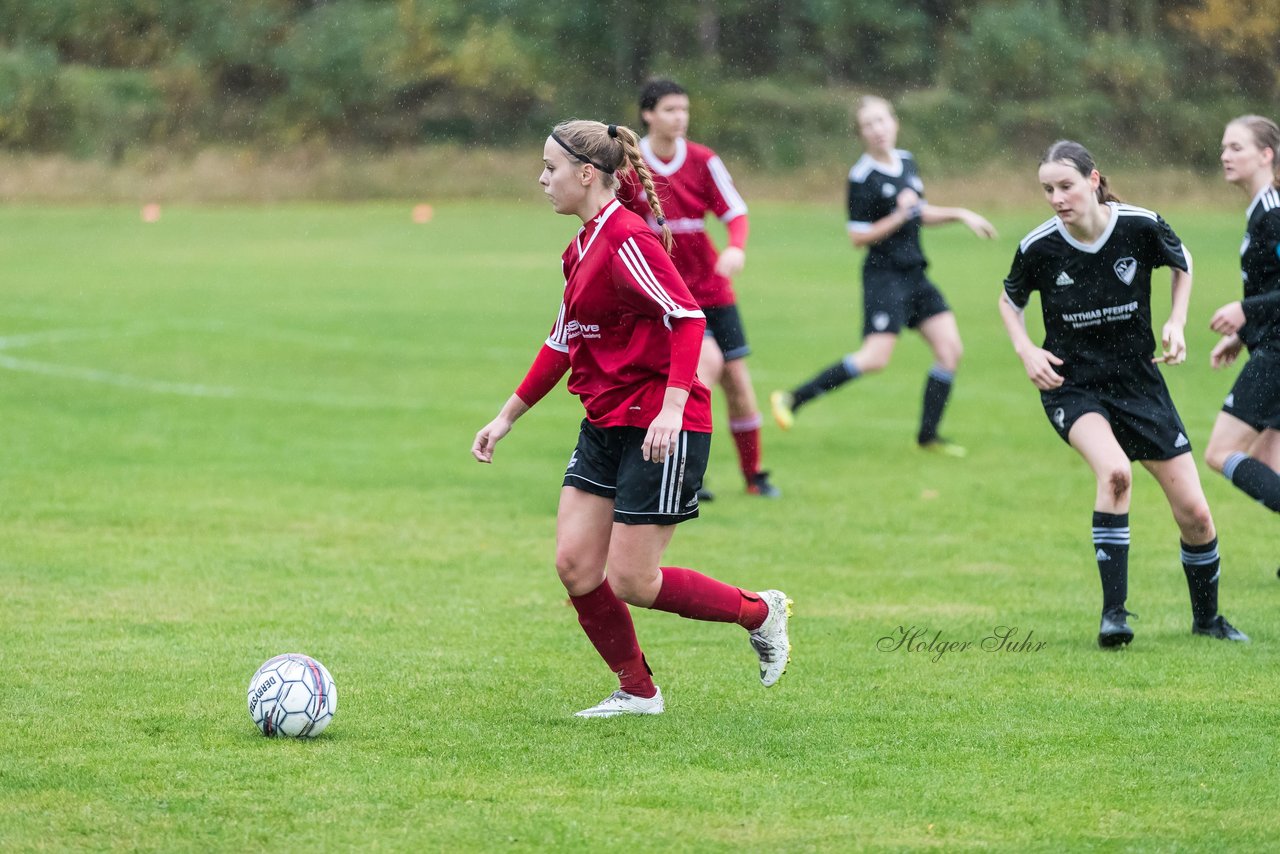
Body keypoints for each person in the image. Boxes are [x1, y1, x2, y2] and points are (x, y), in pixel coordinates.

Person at [471, 119, 791, 718]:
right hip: (605, 422)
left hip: (660, 427)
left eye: (551, 168)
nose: (542, 179)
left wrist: (671, 409)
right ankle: (638, 691)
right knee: (573, 563)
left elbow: (688, 317)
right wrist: (506, 416)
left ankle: (761, 612)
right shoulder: (581, 246)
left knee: (632, 581)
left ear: (587, 174)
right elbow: (563, 341)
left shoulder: (626, 241)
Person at [998, 139, 1248, 648]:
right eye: (1047, 189)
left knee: (1196, 515)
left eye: (1065, 186)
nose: (1056, 198)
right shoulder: (1039, 246)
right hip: (1073, 385)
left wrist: (1176, 321)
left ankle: (1207, 619)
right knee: (1114, 473)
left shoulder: (1138, 225)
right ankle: (1115, 615)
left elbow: (1182, 260)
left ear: (1093, 180)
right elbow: (1009, 299)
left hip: (1139, 383)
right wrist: (1026, 349)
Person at [770, 95, 997, 455]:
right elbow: (857, 236)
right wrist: (898, 216)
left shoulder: (906, 161)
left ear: (894, 122)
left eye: (882, 121)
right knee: (875, 358)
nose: (877, 130)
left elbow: (918, 213)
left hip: (916, 274)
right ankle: (792, 398)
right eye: (868, 125)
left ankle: (928, 437)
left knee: (950, 350)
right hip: (884, 277)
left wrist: (961, 214)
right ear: (861, 133)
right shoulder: (862, 177)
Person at [619, 79, 779, 500]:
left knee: (739, 386)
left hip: (714, 290)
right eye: (670, 109)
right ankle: (689, 475)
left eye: (684, 110)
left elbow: (735, 212)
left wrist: (736, 249)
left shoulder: (704, 160)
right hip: (667, 296)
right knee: (701, 372)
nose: (680, 117)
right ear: (648, 114)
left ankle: (754, 477)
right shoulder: (632, 166)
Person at [1203, 116, 1280, 552]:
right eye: (1223, 147)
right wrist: (1244, 331)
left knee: (1219, 452)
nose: (1225, 156)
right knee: (1270, 462)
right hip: (1268, 342)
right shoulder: (1263, 210)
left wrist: (1243, 310)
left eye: (1236, 147)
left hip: (1277, 354)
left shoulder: (1273, 213)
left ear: (1265, 155)